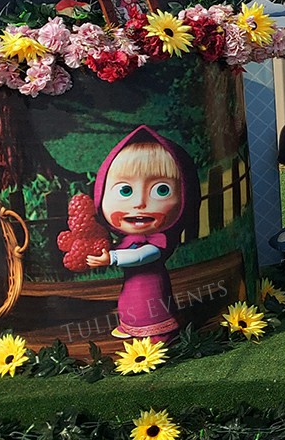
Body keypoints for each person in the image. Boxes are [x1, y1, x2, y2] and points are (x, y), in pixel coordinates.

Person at [81, 126, 198, 342]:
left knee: (149, 304)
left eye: (161, 190)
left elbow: (140, 256)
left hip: (152, 289)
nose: (139, 203)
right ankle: (131, 324)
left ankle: (158, 329)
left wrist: (112, 257)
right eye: (125, 190)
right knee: (130, 302)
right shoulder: (126, 239)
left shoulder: (158, 241)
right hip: (131, 290)